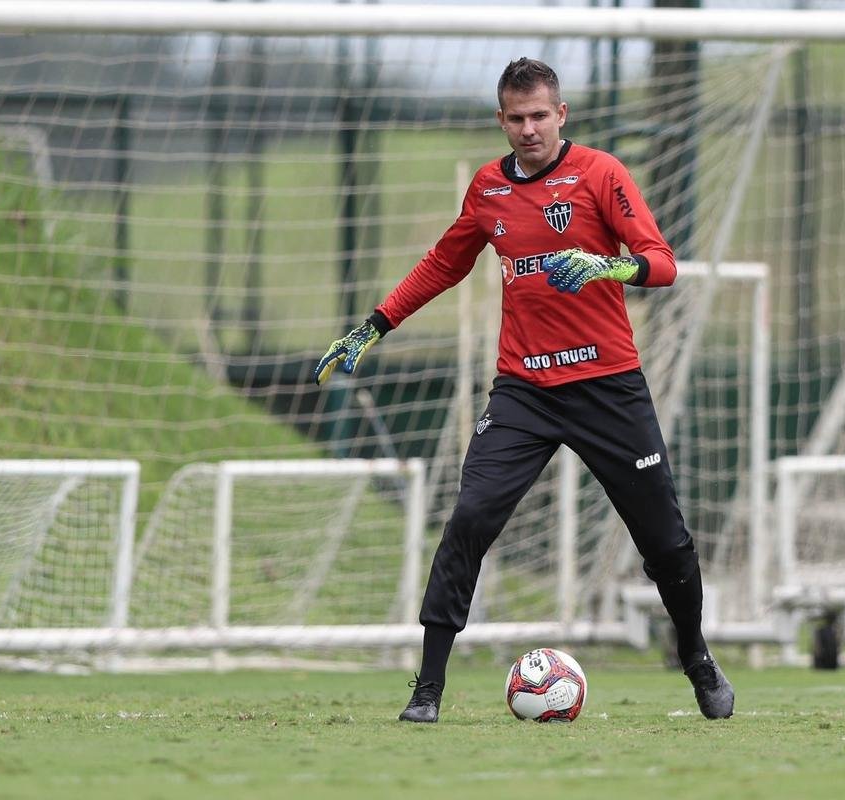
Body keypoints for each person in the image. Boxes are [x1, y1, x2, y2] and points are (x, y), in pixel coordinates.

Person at [313, 57, 734, 724]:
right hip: (525, 392)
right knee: (469, 521)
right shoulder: (489, 188)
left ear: (561, 114)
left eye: (540, 115)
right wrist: (376, 323)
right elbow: (444, 262)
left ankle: (696, 656)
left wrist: (607, 267)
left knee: (665, 542)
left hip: (608, 386)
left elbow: (662, 264)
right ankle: (427, 690)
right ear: (501, 121)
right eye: (517, 118)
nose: (530, 128)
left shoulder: (601, 174)